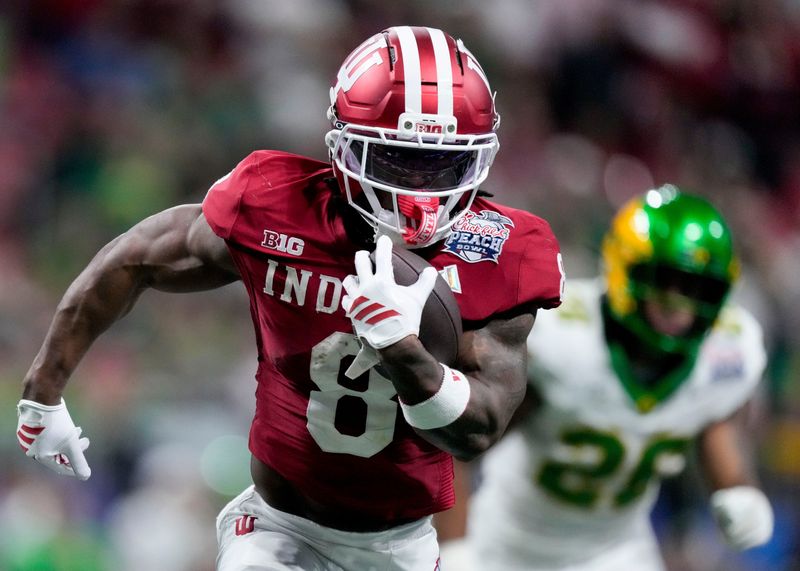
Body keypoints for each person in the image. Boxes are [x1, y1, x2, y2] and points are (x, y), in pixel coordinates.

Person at [16, 26, 565, 571]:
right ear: (344, 147)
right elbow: (135, 258)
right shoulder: (276, 206)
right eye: (398, 159)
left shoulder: (504, 250)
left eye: (442, 164)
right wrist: (42, 391)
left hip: (403, 547)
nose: (419, 191)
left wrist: (402, 350)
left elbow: (479, 428)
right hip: (278, 529)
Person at [439, 185, 774, 571]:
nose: (678, 304)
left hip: (617, 551)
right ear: (624, 269)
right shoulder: (563, 340)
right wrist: (455, 544)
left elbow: (717, 424)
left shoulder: (728, 354)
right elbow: (458, 446)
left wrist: (739, 488)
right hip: (510, 544)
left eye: (698, 288)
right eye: (663, 280)